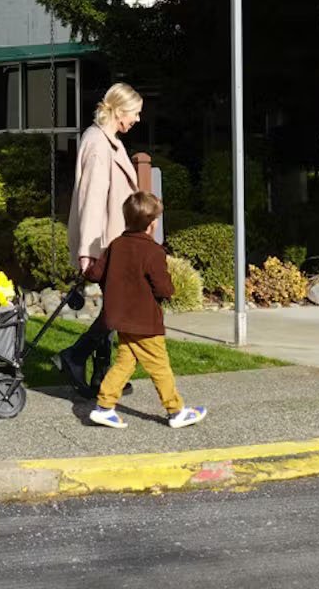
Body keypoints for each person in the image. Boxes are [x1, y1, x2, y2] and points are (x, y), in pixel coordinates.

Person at [88, 192, 207, 430]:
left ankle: (104, 407)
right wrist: (170, 290)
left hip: (120, 318)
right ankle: (176, 410)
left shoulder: (116, 246)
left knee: (125, 363)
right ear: (152, 224)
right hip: (145, 321)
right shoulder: (153, 251)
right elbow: (163, 287)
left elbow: (94, 274)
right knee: (159, 365)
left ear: (126, 219)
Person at [58, 82, 143, 395]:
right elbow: (92, 198)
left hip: (112, 241)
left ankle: (102, 378)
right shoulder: (98, 143)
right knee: (120, 308)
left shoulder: (109, 141)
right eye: (135, 112)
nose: (137, 119)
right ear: (119, 111)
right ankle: (75, 356)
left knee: (115, 306)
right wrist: (89, 249)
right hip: (105, 242)